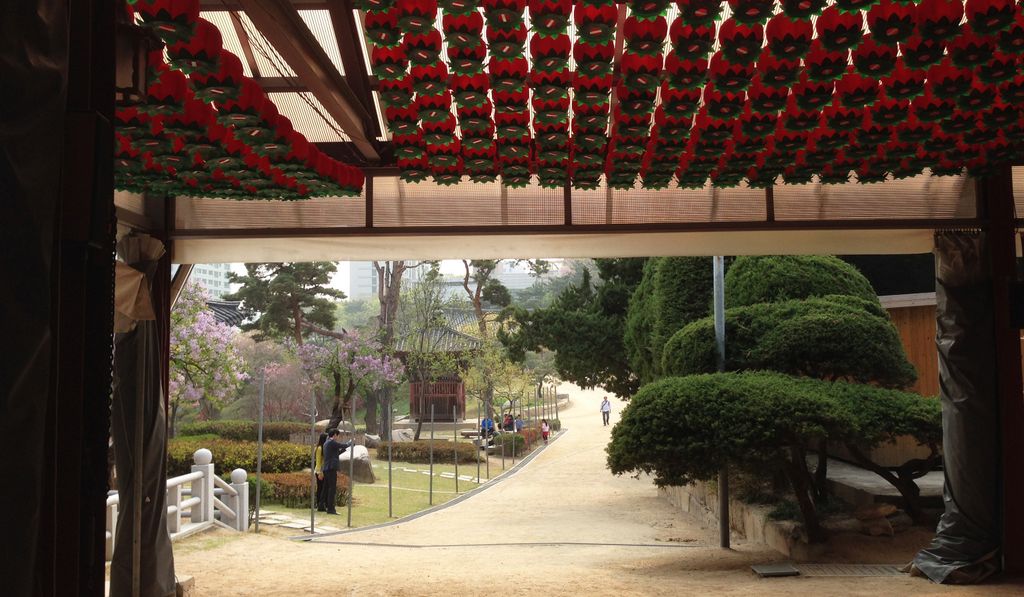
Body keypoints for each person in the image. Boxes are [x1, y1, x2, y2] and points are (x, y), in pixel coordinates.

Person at [321, 428, 346, 514]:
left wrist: (343, 449)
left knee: (326, 488)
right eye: (338, 435)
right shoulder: (331, 442)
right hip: (331, 468)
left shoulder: (326, 443)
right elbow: (342, 445)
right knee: (332, 489)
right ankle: (331, 509)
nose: (338, 437)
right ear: (335, 435)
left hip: (326, 468)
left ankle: (321, 506)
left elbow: (334, 454)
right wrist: (350, 443)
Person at [314, 432, 328, 512]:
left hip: (323, 470)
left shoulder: (323, 448)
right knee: (320, 488)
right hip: (320, 471)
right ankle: (319, 503)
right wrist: (320, 472)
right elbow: (318, 461)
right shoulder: (319, 448)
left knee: (323, 488)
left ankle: (322, 503)